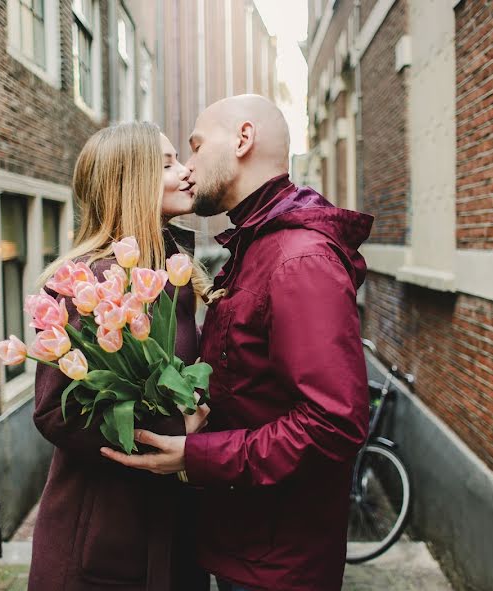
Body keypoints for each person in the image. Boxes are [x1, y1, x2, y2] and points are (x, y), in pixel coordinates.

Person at [101, 95, 374, 591]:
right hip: (242, 544)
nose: (188, 167)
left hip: (276, 565)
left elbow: (334, 422)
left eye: (197, 147)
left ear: (243, 140)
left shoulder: (298, 260)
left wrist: (199, 456)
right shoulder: (256, 247)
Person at [30, 122, 210, 591]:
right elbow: (54, 412)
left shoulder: (174, 276)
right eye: (167, 164)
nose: (186, 172)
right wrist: (173, 434)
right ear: (131, 181)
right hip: (103, 541)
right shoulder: (85, 282)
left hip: (171, 533)